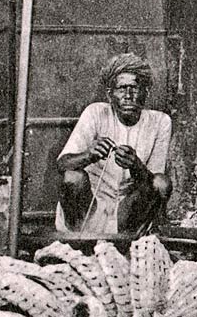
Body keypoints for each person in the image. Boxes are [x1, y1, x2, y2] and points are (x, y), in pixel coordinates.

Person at [56, 53, 173, 233]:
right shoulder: (95, 113)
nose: (128, 95)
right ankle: (79, 239)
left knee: (161, 183)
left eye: (134, 88)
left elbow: (158, 183)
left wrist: (136, 166)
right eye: (121, 89)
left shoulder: (160, 122)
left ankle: (125, 240)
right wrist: (89, 154)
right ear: (110, 95)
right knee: (73, 177)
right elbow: (63, 164)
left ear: (146, 92)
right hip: (90, 206)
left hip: (128, 211)